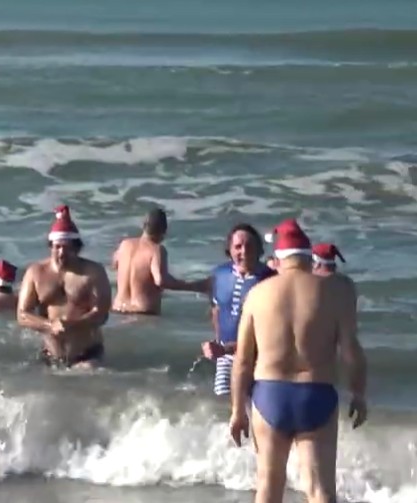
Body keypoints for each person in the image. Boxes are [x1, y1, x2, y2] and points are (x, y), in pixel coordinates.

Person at [229, 219, 367, 503]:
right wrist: (359, 394)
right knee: (320, 491)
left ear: (278, 259)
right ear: (308, 257)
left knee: (268, 488)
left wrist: (236, 411)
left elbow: (242, 361)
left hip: (270, 396)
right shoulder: (337, 292)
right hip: (316, 393)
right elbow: (351, 350)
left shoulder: (256, 295)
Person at [184, 224, 276, 397]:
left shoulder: (270, 280)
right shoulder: (221, 274)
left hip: (259, 358)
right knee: (224, 404)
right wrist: (217, 343)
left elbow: (270, 332)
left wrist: (225, 349)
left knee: (255, 409)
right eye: (238, 247)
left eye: (249, 246)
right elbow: (216, 309)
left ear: (259, 249)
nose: (244, 251)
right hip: (225, 357)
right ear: (230, 250)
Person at [16, 206, 112, 369]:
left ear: (77, 247)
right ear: (50, 247)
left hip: (87, 355)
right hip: (51, 355)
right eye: (57, 247)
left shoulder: (93, 272)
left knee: (89, 376)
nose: (61, 253)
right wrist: (50, 325)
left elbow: (101, 314)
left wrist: (72, 324)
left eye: (67, 247)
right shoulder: (36, 273)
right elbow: (22, 315)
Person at [112, 207, 194, 315]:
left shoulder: (124, 245)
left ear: (143, 226)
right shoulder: (156, 250)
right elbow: (160, 280)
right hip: (142, 312)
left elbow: (115, 265)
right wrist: (191, 286)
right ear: (164, 231)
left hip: (118, 309)